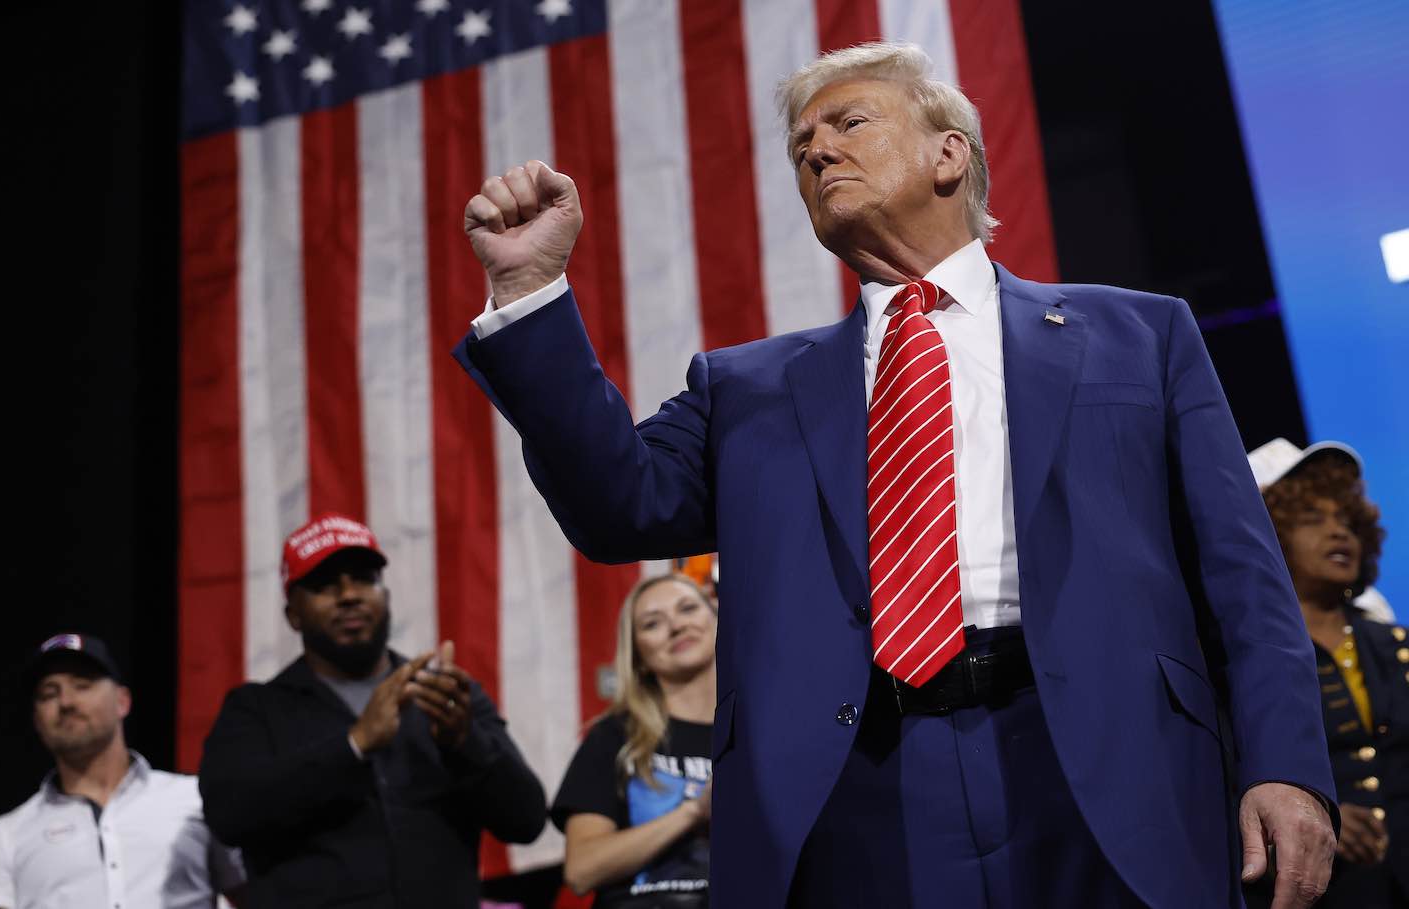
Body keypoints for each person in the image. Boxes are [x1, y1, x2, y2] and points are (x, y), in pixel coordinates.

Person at [453, 41, 1336, 908]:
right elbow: (619, 506)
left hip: (1111, 760)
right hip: (856, 789)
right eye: (803, 149)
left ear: (950, 152)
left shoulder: (1142, 335)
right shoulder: (749, 388)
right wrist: (531, 292)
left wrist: (1289, 765)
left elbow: (1244, 578)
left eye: (848, 123)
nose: (818, 151)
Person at [197, 513, 546, 908]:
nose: (349, 594)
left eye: (364, 578)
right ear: (293, 614)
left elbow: (527, 820)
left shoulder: (444, 697)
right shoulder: (256, 710)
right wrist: (354, 745)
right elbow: (229, 816)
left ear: (386, 596)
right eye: (325, 585)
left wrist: (466, 742)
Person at [0, 634, 243, 909]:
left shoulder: (195, 800)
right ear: (36, 719)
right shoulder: (3, 839)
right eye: (49, 693)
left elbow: (258, 893)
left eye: (82, 686)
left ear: (122, 701)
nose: (66, 702)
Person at [1249, 438, 1407, 907]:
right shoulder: (1239, 655)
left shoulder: (1393, 644)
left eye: (1347, 523)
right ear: (1270, 533)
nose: (1339, 534)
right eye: (1313, 521)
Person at [553, 574, 717, 906]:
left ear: (716, 618)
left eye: (688, 608)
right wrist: (693, 812)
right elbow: (581, 870)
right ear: (638, 655)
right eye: (652, 623)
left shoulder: (762, 731)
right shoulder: (614, 736)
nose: (676, 626)